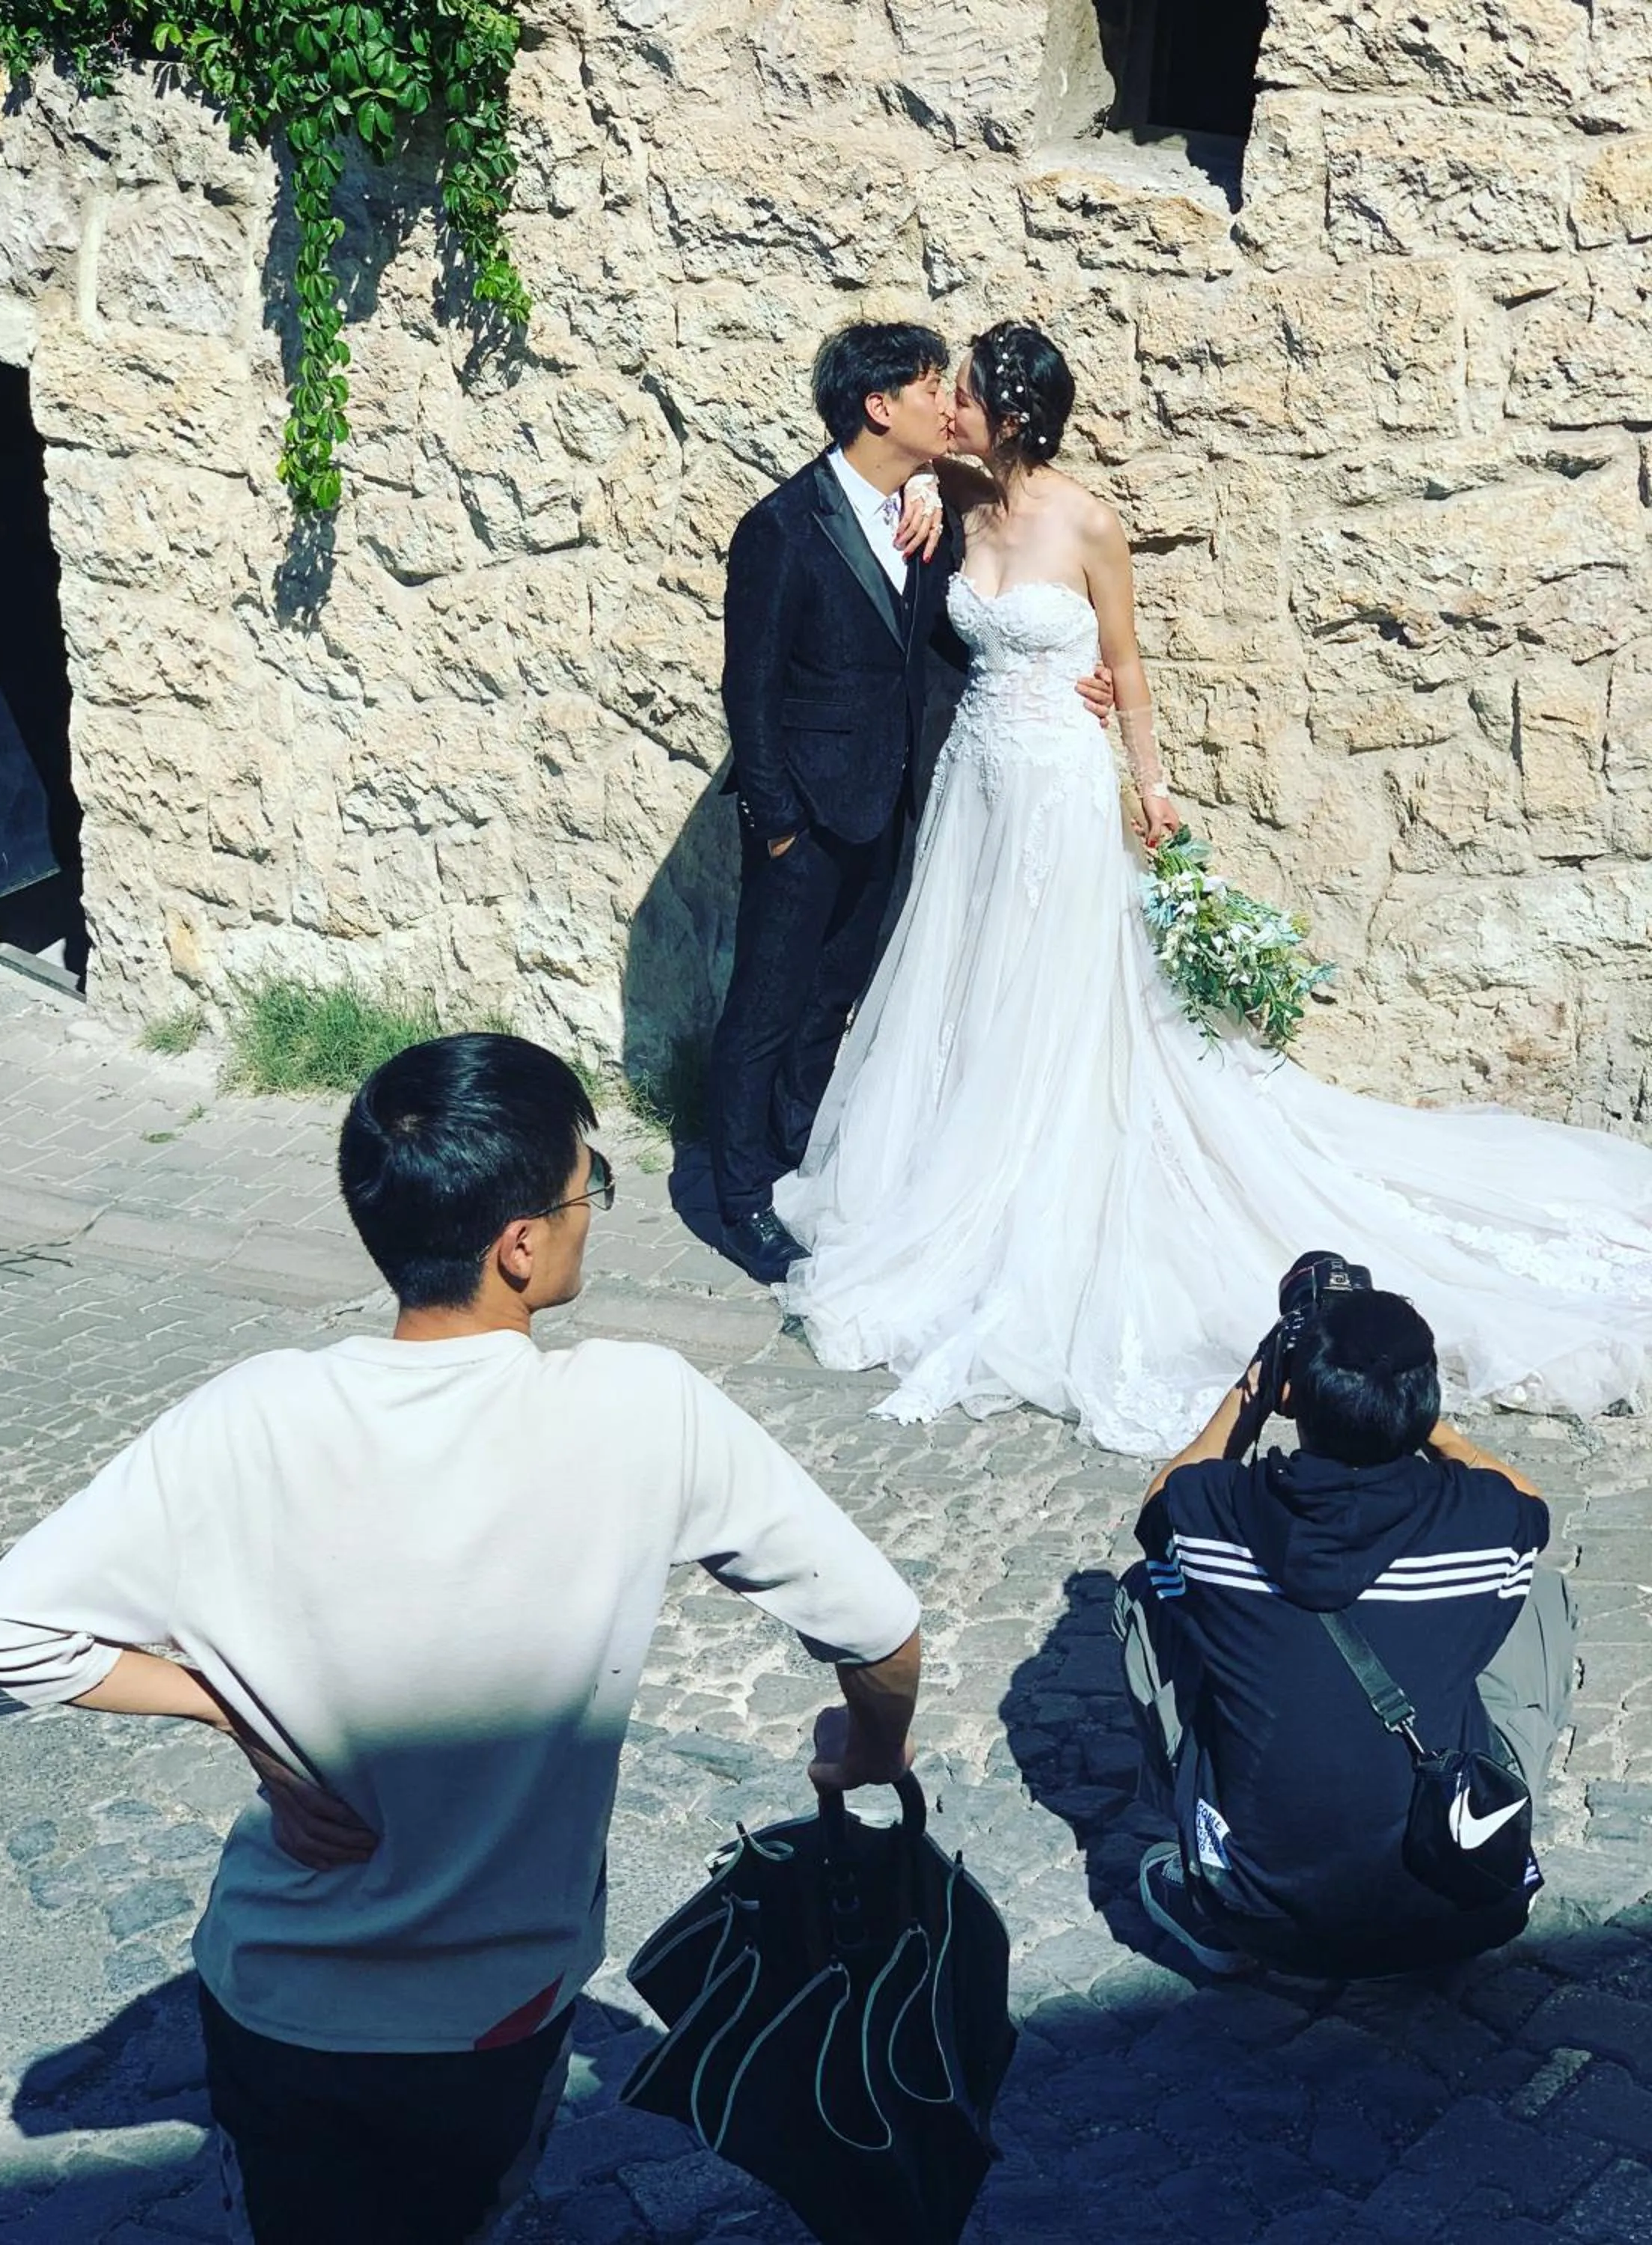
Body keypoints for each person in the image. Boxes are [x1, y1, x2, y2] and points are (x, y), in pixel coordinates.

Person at [0, 1033, 923, 2245]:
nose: (590, 1213)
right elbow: (880, 1629)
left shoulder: (249, 1416)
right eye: (589, 1188)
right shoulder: (643, 1409)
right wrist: (869, 1749)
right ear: (520, 1245)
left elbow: (0, 1637)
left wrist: (227, 1707)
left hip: (275, 2000)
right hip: (494, 2017)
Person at [774, 318, 1652, 1448]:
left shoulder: (1088, 522)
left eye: (970, 394)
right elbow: (907, 535)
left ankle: (1038, 1175)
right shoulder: (952, 496)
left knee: (1054, 989)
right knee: (963, 979)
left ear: (1015, 413)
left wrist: (1153, 788)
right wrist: (923, 488)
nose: (951, 406)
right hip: (974, 789)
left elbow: (1125, 660)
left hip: (1058, 788)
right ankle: (950, 1165)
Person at [707, 317, 1112, 1282]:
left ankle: (796, 1157)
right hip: (804, 820)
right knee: (765, 1007)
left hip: (890, 810)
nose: (947, 404)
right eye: (933, 387)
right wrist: (777, 825)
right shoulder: (781, 528)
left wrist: (1066, 682)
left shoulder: (923, 518)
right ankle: (739, 1198)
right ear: (879, 407)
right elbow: (748, 690)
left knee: (831, 1001)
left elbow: (945, 643)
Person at [1114, 1285, 1577, 1979]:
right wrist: (1424, 1422)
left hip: (1259, 1917)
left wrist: (1250, 1398)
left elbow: (1160, 1502)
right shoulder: (1484, 1519)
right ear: (1424, 1401)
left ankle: (1207, 1871)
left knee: (1148, 1588)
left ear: (1295, 1397)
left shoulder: (1212, 1513)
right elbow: (1531, 1502)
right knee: (1536, 1588)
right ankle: (1490, 1818)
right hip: (1467, 1906)